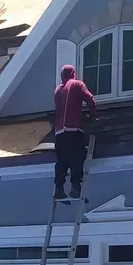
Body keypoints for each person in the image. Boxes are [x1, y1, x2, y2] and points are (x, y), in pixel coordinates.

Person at [53, 64, 97, 200]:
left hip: (59, 132)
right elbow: (90, 99)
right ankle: (75, 187)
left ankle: (59, 189)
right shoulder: (78, 84)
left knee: (62, 161)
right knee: (77, 158)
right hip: (73, 129)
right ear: (73, 73)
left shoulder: (58, 90)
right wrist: (93, 115)